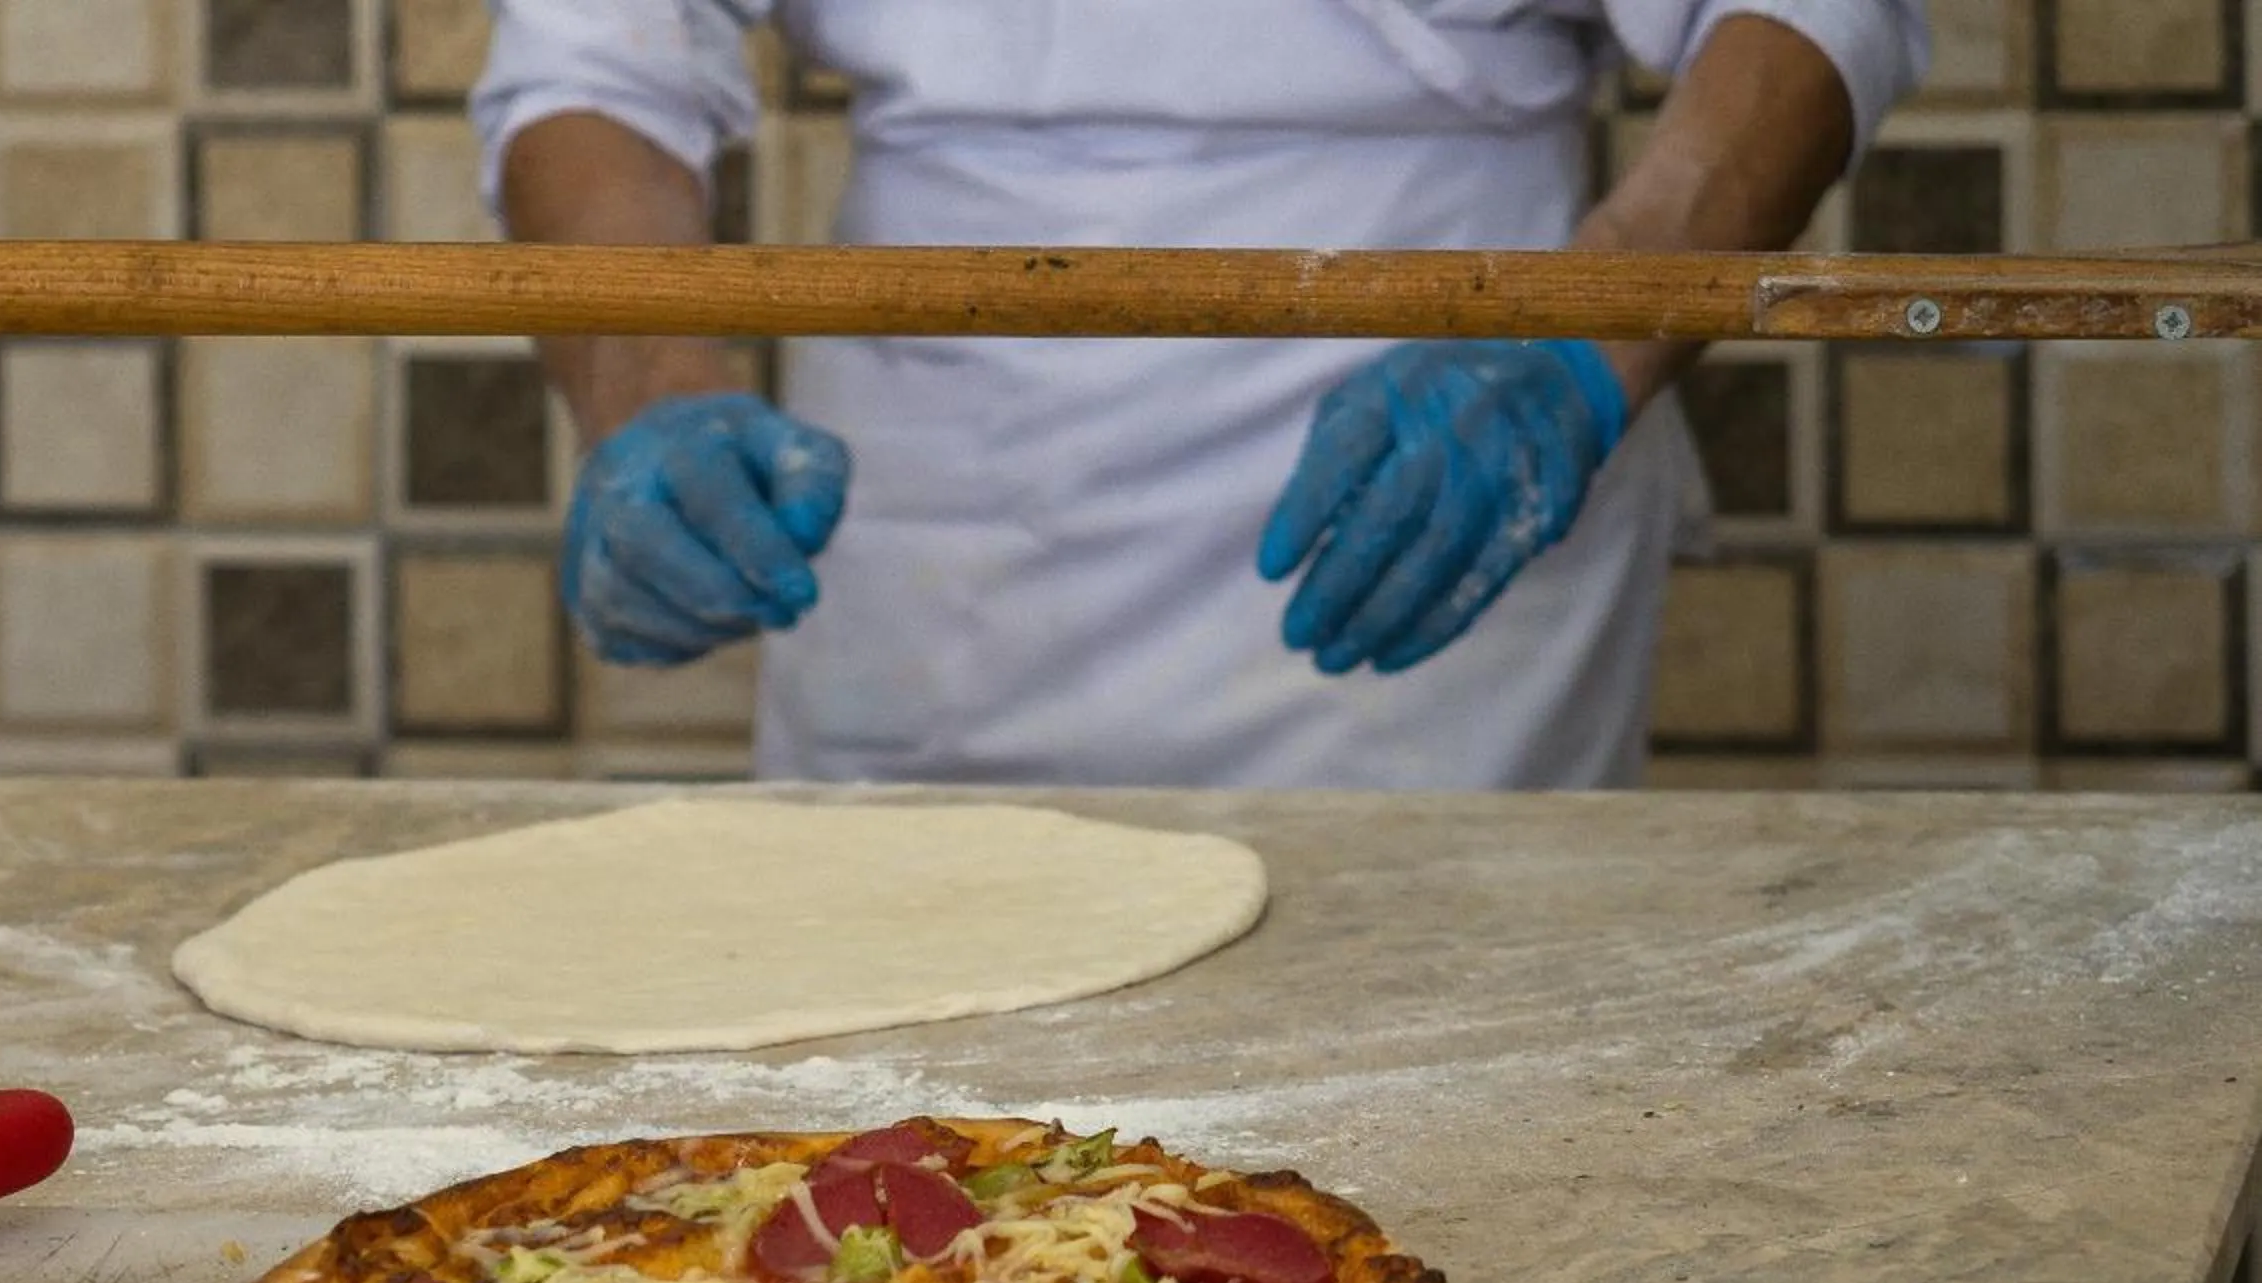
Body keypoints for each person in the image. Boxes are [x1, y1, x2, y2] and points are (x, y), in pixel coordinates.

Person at [473, 3, 1928, 789]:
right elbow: (593, 56)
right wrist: (647, 393)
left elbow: (1809, 14)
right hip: (940, 526)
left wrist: (1591, 339)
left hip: (1440, 501)